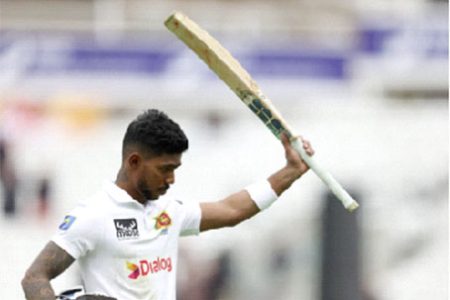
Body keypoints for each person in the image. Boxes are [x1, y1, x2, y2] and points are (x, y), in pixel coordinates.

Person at [21, 109, 314, 300]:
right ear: (134, 161)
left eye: (176, 168)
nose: (172, 178)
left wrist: (289, 172)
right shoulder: (93, 216)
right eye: (165, 168)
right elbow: (34, 278)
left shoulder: (168, 211)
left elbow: (232, 211)